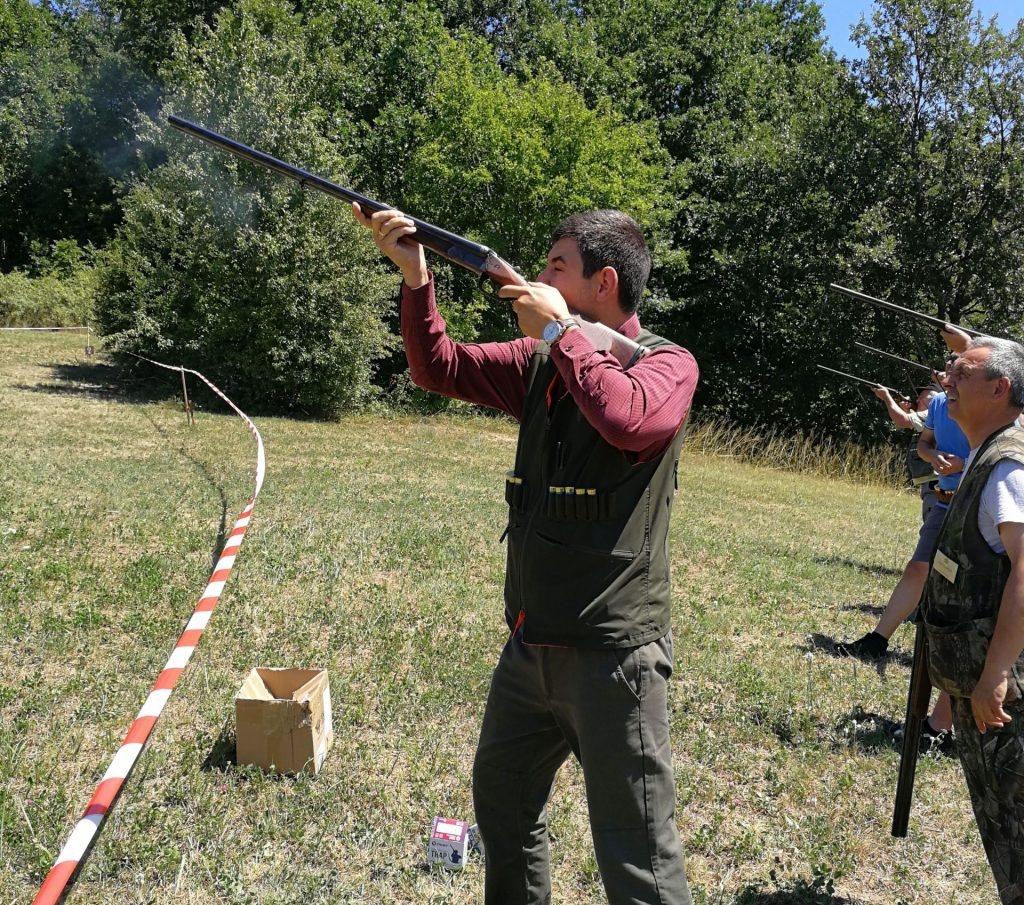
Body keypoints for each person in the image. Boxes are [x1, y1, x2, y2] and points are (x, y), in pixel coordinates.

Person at [353, 203, 698, 904]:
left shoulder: (668, 364)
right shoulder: (542, 361)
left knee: (639, 857)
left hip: (613, 657)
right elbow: (437, 368)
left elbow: (628, 417)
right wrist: (417, 278)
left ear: (604, 282)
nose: (539, 277)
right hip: (529, 644)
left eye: (556, 267)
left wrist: (562, 333)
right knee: (504, 805)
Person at [920, 336, 1024, 904]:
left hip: (1002, 691)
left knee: (1017, 827)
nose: (947, 379)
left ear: (1000, 388)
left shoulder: (1008, 467)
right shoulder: (988, 455)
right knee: (1003, 829)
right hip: (980, 680)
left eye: (963, 371)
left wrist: (996, 674)